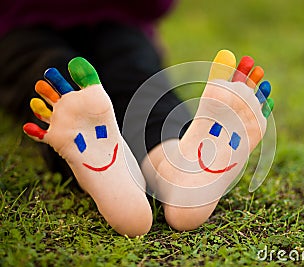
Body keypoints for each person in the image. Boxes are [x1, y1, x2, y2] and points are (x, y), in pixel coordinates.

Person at [1, 1, 274, 236]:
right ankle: (173, 161)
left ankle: (104, 164)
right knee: (141, 82)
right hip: (115, 21)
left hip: (21, 24)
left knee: (53, 80)